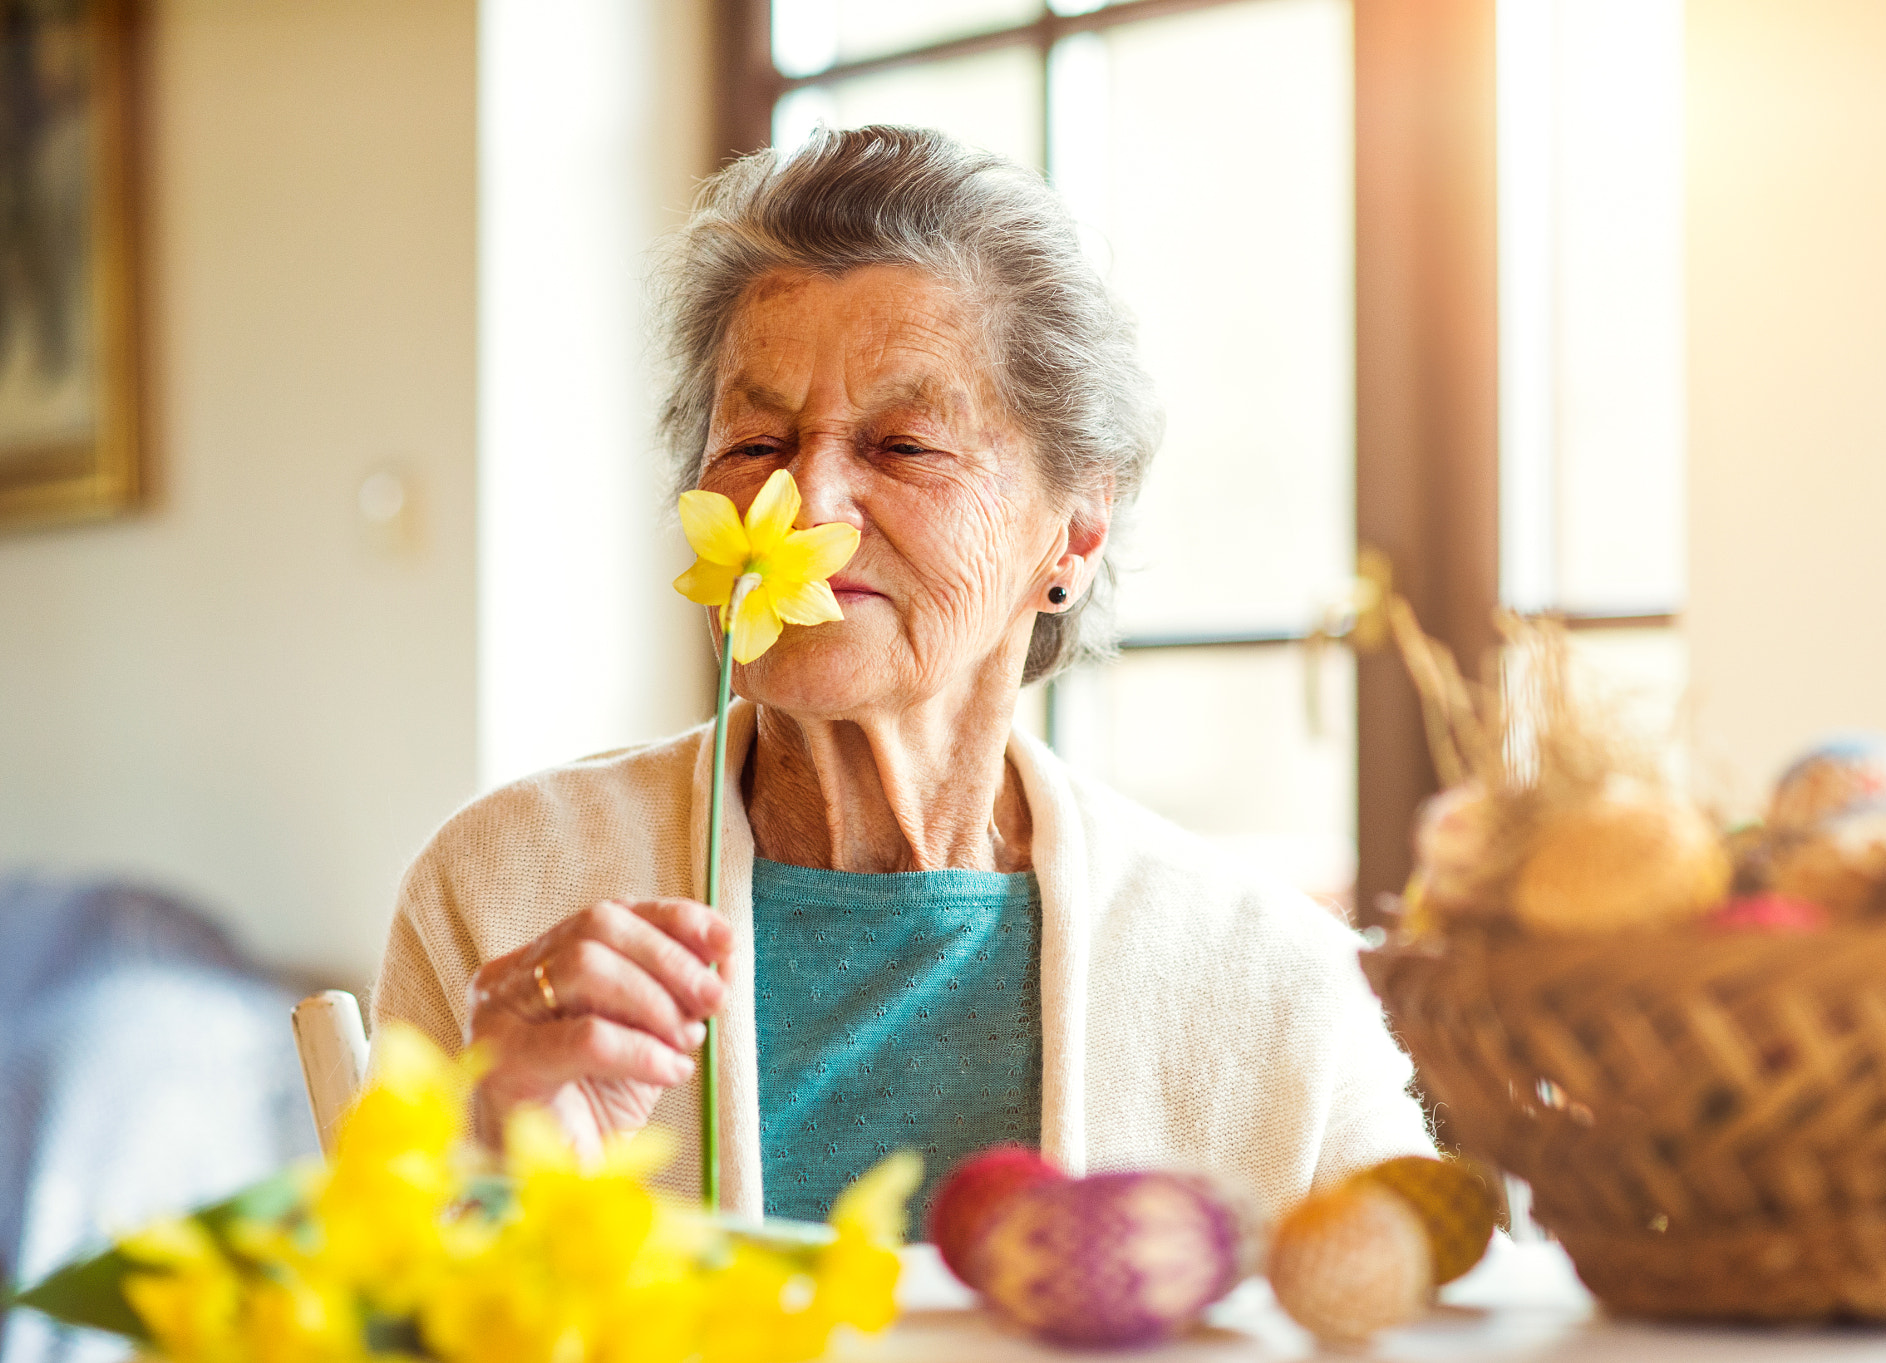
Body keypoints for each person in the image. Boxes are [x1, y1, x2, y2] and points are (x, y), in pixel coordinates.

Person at [373, 126, 1434, 1228]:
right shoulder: (498, 889)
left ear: (1073, 531)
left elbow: (1436, 1312)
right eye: (755, 444)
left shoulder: (1271, 981)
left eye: (902, 446)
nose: (809, 505)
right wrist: (483, 1170)